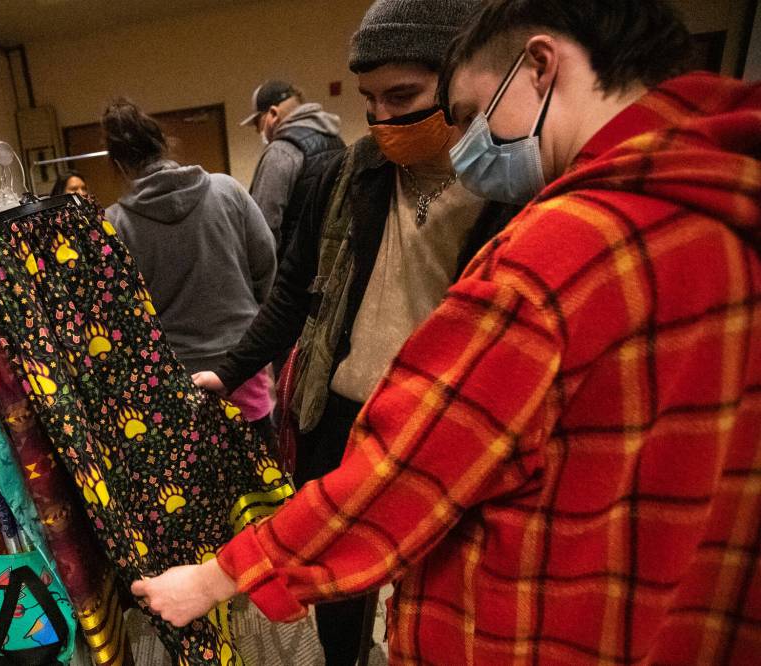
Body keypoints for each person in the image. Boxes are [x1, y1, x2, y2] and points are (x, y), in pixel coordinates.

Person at [133, 1, 761, 664]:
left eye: (471, 112)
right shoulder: (722, 200)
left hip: (525, 618)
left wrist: (217, 577)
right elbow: (296, 291)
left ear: (541, 67)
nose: (470, 140)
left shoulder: (564, 249)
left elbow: (410, 471)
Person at [193, 1, 516, 663]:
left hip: (440, 426)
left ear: (458, 79)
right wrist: (229, 370)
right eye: (370, 100)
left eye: (404, 96)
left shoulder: (510, 185)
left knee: (440, 598)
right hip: (338, 414)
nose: (382, 119)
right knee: (335, 597)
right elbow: (291, 296)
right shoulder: (347, 174)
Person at [103, 99, 278, 433]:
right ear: (164, 146)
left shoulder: (115, 224)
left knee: (193, 478)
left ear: (121, 167)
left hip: (172, 377)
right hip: (242, 361)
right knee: (264, 469)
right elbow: (267, 265)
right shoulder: (228, 190)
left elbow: (122, 313)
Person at [242, 80, 345, 261]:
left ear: (273, 114)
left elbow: (263, 232)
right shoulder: (336, 140)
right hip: (333, 267)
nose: (259, 132)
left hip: (294, 276)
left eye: (258, 124)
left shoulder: (281, 150)